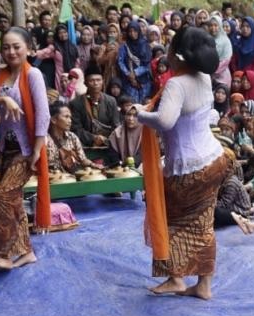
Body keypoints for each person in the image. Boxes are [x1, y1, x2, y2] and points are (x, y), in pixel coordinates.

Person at [137, 26, 232, 300]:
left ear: (176, 54)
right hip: (215, 159)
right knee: (203, 224)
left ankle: (175, 278)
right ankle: (203, 285)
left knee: (166, 218)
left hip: (187, 168)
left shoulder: (176, 84)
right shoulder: (204, 77)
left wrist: (141, 115)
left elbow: (165, 121)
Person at [0, 27, 51, 271]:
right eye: (6, 47)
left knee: (3, 197)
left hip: (27, 148)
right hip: (5, 147)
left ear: (28, 48)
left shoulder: (33, 75)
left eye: (16, 46)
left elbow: (43, 114)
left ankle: (5, 253)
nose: (11, 51)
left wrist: (38, 150)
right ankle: (26, 252)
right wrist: (3, 99)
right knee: (14, 200)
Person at [68, 62, 120, 147]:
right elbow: (76, 129)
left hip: (108, 144)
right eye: (92, 80)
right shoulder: (76, 103)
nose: (96, 83)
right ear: (85, 82)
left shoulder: (111, 101)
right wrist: (93, 138)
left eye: (98, 80)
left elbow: (116, 126)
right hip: (85, 145)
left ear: (103, 81)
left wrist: (106, 140)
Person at [45, 101, 97, 173]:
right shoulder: (45, 140)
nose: (70, 121)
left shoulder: (72, 137)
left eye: (70, 117)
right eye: (66, 117)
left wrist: (93, 165)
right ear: (54, 120)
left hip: (71, 178)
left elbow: (83, 160)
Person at [117, 21, 153, 102]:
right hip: (128, 81)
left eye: (135, 31)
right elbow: (120, 61)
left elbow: (147, 63)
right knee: (132, 104)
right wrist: (128, 74)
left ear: (138, 31)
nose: (132, 33)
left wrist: (136, 73)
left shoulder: (145, 45)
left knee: (144, 104)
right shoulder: (124, 46)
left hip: (144, 80)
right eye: (130, 31)